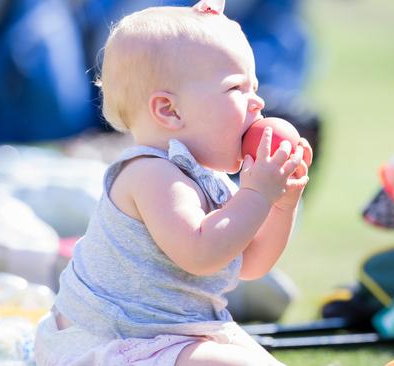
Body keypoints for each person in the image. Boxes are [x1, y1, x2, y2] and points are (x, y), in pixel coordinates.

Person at [34, 0, 313, 364]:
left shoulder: (205, 176)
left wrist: (281, 204)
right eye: (236, 89)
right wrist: (257, 193)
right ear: (170, 110)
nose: (257, 102)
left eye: (254, 86)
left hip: (172, 333)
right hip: (110, 342)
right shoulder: (150, 174)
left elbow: (250, 265)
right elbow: (202, 253)